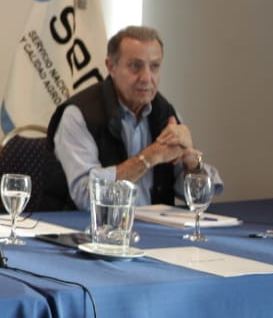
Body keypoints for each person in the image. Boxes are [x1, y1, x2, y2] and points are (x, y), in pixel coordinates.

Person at [48, 25, 222, 209]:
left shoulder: (167, 114)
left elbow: (199, 199)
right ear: (111, 67)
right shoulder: (78, 115)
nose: (147, 77)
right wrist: (148, 158)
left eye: (154, 66)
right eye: (135, 66)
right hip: (88, 231)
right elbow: (86, 196)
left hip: (155, 231)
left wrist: (192, 163)